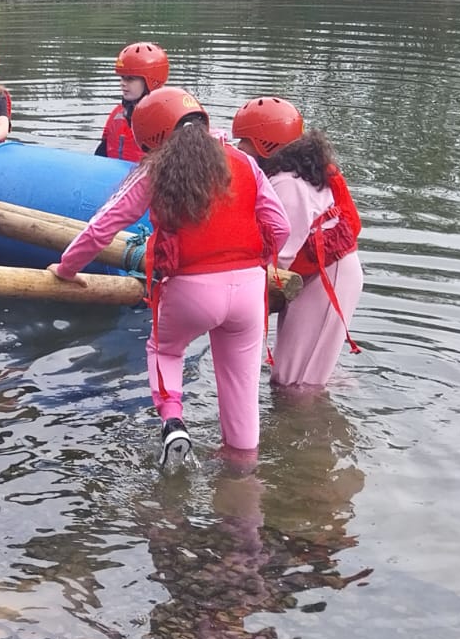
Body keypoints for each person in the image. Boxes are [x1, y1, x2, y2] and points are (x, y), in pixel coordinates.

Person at [51, 87, 289, 467]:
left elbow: (102, 228)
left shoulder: (154, 170)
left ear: (150, 136)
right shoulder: (245, 163)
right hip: (248, 289)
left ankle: (173, 421)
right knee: (242, 388)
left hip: (190, 290)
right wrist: (257, 262)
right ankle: (243, 477)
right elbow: (280, 226)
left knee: (165, 350)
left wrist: (66, 269)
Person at [232, 97, 363, 389]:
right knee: (293, 373)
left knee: (295, 385)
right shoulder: (290, 174)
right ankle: (329, 396)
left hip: (328, 280)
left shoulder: (287, 183)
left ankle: (309, 427)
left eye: (246, 141)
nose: (239, 148)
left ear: (267, 144)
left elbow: (281, 255)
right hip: (319, 276)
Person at [96, 42, 170, 162]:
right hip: (115, 176)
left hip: (147, 178)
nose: (122, 83)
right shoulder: (118, 113)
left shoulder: (168, 120)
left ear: (150, 81)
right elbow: (100, 154)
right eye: (122, 77)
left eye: (130, 78)